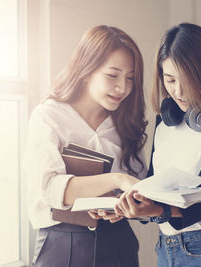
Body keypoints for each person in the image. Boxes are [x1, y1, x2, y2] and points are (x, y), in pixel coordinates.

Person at [115, 23, 201, 267]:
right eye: (169, 79)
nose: (178, 92)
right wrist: (125, 207)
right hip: (165, 245)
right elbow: (154, 186)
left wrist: (159, 210)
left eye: (188, 80)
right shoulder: (164, 122)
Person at [25, 25, 148, 267]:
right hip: (62, 243)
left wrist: (121, 205)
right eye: (112, 76)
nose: (122, 87)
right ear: (86, 71)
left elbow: (138, 185)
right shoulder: (49, 115)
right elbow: (49, 188)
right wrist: (117, 180)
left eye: (130, 78)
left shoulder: (126, 122)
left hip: (118, 243)